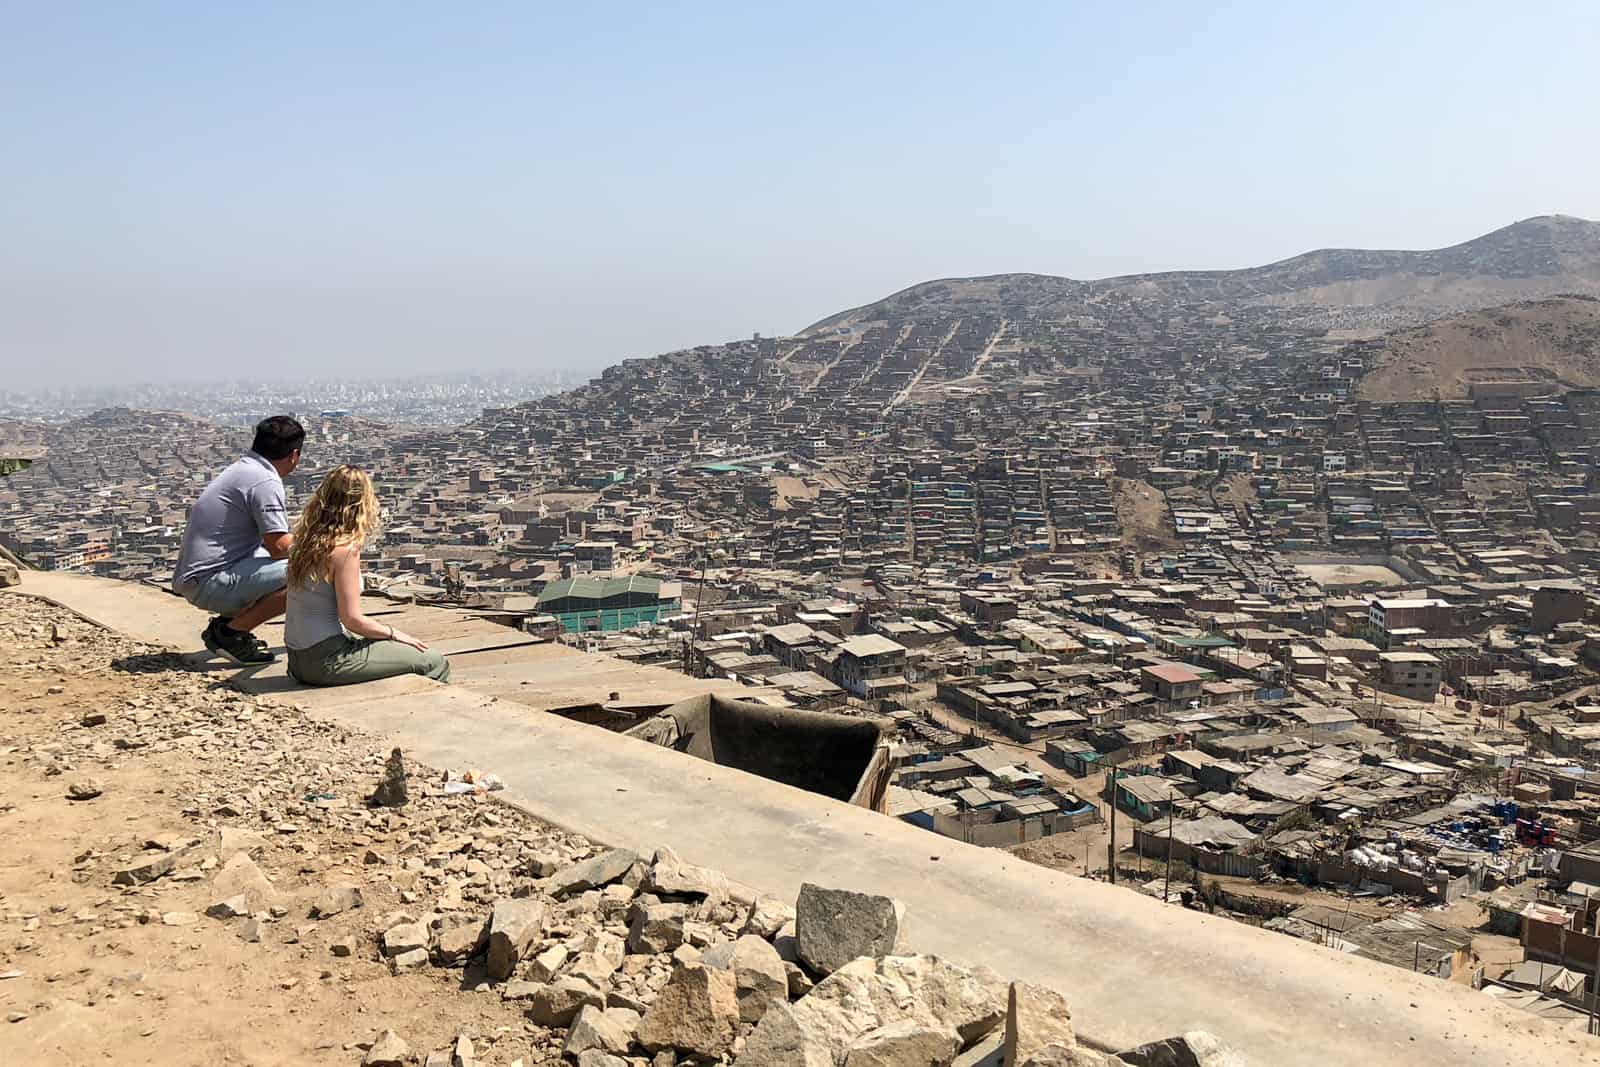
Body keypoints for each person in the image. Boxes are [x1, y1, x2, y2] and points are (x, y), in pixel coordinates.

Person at [284, 465, 450, 686]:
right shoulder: (343, 551)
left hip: (296, 661)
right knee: (433, 661)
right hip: (327, 661)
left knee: (389, 651)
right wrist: (394, 633)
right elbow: (352, 619)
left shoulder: (303, 541)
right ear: (362, 503)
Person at [172, 415, 304, 665]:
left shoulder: (245, 469)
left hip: (200, 577)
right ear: (294, 455)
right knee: (316, 571)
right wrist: (328, 544)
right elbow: (279, 548)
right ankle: (232, 634)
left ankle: (226, 626)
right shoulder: (265, 481)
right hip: (210, 582)